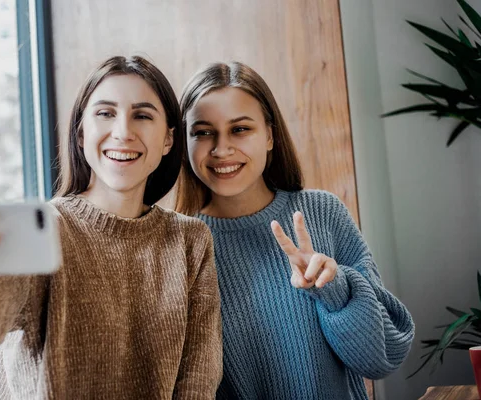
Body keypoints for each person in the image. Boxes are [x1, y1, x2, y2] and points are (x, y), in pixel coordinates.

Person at [0, 56, 223, 399]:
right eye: (105, 113)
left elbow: (198, 382)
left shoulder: (190, 241)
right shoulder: (45, 230)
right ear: (81, 135)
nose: (123, 132)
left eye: (142, 115)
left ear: (168, 140)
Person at [176, 61, 414, 399]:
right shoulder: (179, 246)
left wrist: (335, 289)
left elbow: (383, 358)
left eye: (240, 129)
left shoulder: (323, 213)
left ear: (270, 135)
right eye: (202, 132)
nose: (221, 149)